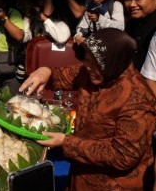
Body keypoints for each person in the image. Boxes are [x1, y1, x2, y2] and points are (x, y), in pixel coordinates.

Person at [19, 28, 156, 190]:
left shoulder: (138, 99)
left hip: (114, 185)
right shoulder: (95, 71)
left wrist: (66, 142)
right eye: (87, 59)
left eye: (96, 63)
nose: (88, 67)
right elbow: (63, 76)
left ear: (115, 62)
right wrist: (45, 72)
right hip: (81, 176)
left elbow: (124, 155)